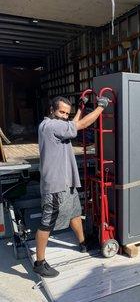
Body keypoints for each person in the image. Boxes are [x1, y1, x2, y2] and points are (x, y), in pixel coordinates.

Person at [33, 95, 109, 277]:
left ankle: (83, 243)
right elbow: (79, 126)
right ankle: (39, 262)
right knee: (47, 223)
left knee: (75, 212)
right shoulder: (51, 125)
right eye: (61, 112)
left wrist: (81, 108)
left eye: (67, 113)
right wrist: (101, 107)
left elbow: (72, 124)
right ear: (51, 110)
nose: (64, 116)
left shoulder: (57, 124)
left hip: (67, 182)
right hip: (56, 185)